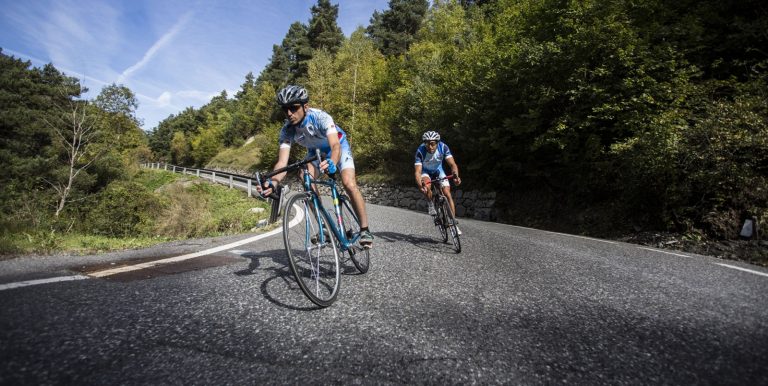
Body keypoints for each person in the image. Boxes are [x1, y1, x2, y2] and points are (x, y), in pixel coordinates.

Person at [257, 85, 373, 248]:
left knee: (349, 183)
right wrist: (273, 183)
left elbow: (335, 146)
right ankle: (323, 225)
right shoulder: (287, 130)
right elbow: (282, 163)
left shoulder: (320, 117)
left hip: (338, 147)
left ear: (305, 106)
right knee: (304, 176)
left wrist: (333, 162)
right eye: (285, 109)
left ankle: (365, 229)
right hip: (315, 153)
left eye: (293, 108)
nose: (289, 113)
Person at [414, 130, 462, 234]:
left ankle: (453, 223)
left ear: (437, 143)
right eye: (427, 144)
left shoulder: (443, 147)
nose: (430, 147)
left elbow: (452, 164)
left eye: (433, 144)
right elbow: (417, 172)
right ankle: (430, 203)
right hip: (425, 172)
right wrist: (420, 185)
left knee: (447, 193)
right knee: (427, 187)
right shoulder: (420, 151)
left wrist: (456, 177)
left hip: (438, 170)